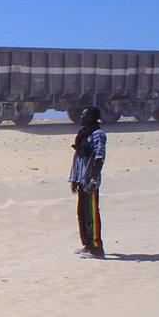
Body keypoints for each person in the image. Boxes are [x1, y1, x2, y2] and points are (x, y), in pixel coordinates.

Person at [69, 107, 107, 259]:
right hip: (81, 180)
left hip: (90, 182)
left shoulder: (98, 134)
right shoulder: (83, 134)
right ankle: (87, 245)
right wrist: (74, 179)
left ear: (91, 117)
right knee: (82, 214)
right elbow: (78, 159)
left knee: (92, 215)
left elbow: (99, 157)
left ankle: (97, 248)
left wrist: (93, 179)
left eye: (83, 115)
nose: (80, 117)